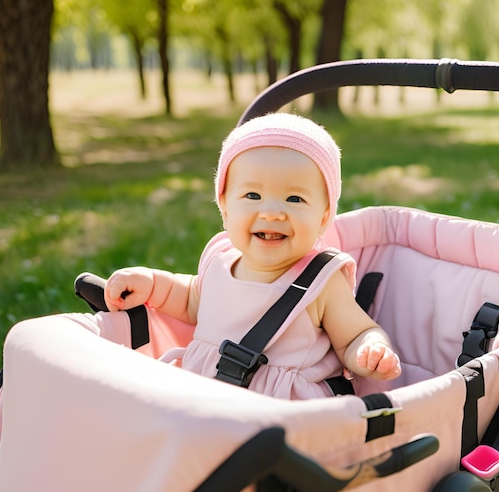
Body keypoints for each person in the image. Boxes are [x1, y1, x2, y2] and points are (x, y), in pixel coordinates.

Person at [104, 113, 401, 399]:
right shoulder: (219, 258)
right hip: (203, 399)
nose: (271, 212)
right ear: (224, 207)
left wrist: (370, 349)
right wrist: (153, 285)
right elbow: (193, 301)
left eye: (295, 199)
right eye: (252, 196)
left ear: (324, 217)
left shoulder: (322, 280)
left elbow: (354, 334)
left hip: (284, 418)